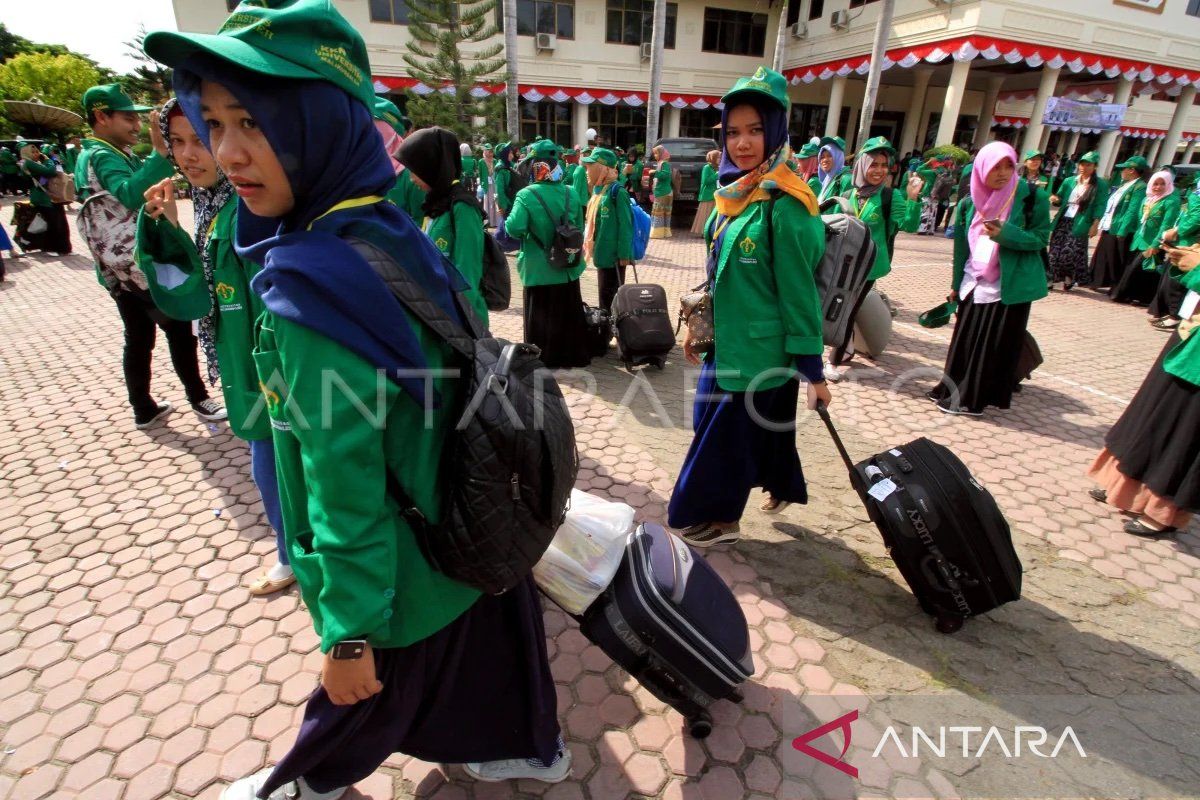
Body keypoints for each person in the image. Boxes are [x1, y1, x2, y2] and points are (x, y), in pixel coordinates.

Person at [145, 3, 569, 796]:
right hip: (467, 520)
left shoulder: (308, 286)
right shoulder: (377, 224)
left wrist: (347, 633)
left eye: (255, 121)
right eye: (214, 121)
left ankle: (303, 785)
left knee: (359, 700)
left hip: (402, 559)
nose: (228, 151)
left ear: (315, 123)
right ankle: (532, 748)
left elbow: (342, 480)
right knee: (489, 656)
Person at [137, 99, 294, 596]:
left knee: (276, 463)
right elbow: (200, 290)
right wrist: (168, 229)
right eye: (178, 141)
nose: (191, 154)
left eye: (200, 139)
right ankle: (293, 551)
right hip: (237, 360)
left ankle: (297, 556)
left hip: (267, 370)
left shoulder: (254, 208)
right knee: (268, 460)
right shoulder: (213, 206)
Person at [669, 66, 829, 548]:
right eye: (734, 132)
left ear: (777, 130)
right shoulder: (732, 195)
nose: (743, 143)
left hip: (761, 355)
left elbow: (802, 295)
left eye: (756, 130)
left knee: (725, 440)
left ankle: (721, 521)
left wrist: (814, 372)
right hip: (728, 343)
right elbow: (719, 274)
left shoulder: (788, 205)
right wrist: (699, 328)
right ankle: (780, 484)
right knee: (751, 428)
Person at [77, 82, 225, 429]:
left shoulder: (90, 153)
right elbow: (130, 194)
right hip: (138, 265)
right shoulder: (102, 154)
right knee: (177, 327)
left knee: (139, 336)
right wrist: (160, 155)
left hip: (116, 269)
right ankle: (198, 397)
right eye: (128, 118)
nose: (136, 126)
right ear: (102, 116)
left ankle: (143, 407)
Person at [927, 141, 1051, 416]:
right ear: (982, 169)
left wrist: (1006, 234)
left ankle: (974, 400)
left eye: (1009, 165)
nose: (1003, 173)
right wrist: (955, 283)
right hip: (974, 280)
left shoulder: (1032, 198)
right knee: (966, 339)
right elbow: (962, 248)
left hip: (1008, 284)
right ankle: (951, 389)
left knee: (989, 344)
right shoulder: (970, 202)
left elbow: (1041, 238)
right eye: (995, 167)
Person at [1087, 250, 1200, 537]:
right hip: (1192, 335)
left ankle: (1161, 512)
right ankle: (1125, 491)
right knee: (1150, 415)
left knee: (1184, 429)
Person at [825, 137, 923, 379]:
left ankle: (834, 360)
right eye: (873, 164)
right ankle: (845, 345)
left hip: (868, 268)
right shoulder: (848, 193)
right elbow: (833, 225)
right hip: (843, 265)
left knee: (848, 308)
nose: (879, 170)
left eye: (883, 165)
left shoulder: (891, 197)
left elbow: (909, 225)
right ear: (861, 165)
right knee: (833, 305)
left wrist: (913, 198)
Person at [504, 139, 593, 369]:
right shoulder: (571, 192)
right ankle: (571, 356)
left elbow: (513, 228)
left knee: (541, 316)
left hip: (538, 269)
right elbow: (578, 228)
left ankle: (542, 359)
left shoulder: (526, 195)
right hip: (567, 267)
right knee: (567, 313)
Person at [397, 127, 490, 325]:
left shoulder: (462, 207)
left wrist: (464, 327)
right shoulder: (434, 205)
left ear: (431, 167)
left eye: (415, 171)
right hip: (437, 314)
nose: (412, 179)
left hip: (459, 320)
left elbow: (468, 275)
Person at [1111, 170, 1180, 308]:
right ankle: (1131, 295)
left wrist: (1155, 244)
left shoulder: (1171, 201)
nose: (1158, 187)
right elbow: (1138, 219)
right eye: (1155, 183)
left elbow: (1166, 225)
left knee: (1146, 270)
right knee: (1135, 268)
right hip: (1139, 239)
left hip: (1154, 241)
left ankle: (1139, 297)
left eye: (1162, 184)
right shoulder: (1146, 199)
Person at [582, 147, 634, 311]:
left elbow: (626, 225)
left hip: (614, 258)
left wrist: (624, 254)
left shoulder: (617, 192)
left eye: (591, 167)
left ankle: (614, 333)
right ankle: (606, 332)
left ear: (602, 169)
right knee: (604, 298)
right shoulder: (599, 190)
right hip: (601, 254)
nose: (587, 171)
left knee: (613, 301)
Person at [1048, 151, 1107, 290]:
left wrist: (1095, 223)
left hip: (1081, 220)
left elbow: (1100, 204)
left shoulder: (1100, 185)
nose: (1084, 167)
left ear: (1095, 166)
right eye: (1082, 164)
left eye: (1088, 165)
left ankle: (1069, 276)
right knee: (1055, 250)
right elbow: (1060, 197)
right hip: (1064, 219)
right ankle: (1050, 279)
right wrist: (1055, 199)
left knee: (1070, 252)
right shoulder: (1069, 180)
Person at [1091, 156, 1148, 290]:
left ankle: (1115, 286)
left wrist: (1123, 229)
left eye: (1124, 169)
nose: (1121, 171)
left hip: (1120, 227)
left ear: (1132, 170)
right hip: (1110, 225)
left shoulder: (1139, 187)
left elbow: (1132, 210)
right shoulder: (1124, 184)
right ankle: (1097, 281)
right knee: (1103, 255)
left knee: (1116, 258)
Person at [15, 142, 72, 254]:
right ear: (26, 153)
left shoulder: (34, 163)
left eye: (37, 151)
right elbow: (49, 171)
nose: (36, 154)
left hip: (45, 196)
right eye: (33, 152)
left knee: (57, 223)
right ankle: (56, 248)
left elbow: (44, 178)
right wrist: (48, 160)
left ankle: (61, 248)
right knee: (55, 224)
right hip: (44, 198)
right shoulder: (29, 163)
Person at [809, 136, 852, 204]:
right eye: (822, 157)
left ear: (838, 156)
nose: (825, 160)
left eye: (829, 156)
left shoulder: (846, 179)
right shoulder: (827, 179)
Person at [691, 149, 719, 235]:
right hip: (707, 196)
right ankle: (704, 232)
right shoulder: (707, 168)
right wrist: (717, 174)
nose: (720, 159)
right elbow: (706, 181)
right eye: (719, 157)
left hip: (715, 195)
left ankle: (711, 231)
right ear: (713, 158)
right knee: (705, 215)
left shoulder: (716, 168)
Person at [649, 145, 673, 238]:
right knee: (664, 213)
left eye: (656, 153)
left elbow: (666, 175)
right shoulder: (661, 163)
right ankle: (664, 232)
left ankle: (657, 233)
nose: (655, 155)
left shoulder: (664, 163)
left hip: (663, 192)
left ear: (661, 154)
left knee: (659, 213)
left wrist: (655, 172)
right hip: (663, 191)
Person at [479, 143, 500, 228]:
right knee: (488, 202)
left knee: (495, 201)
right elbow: (480, 174)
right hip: (487, 184)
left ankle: (496, 221)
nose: (490, 153)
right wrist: (482, 184)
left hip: (494, 183)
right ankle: (489, 222)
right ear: (485, 151)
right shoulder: (481, 161)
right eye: (488, 150)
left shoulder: (495, 161)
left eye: (491, 151)